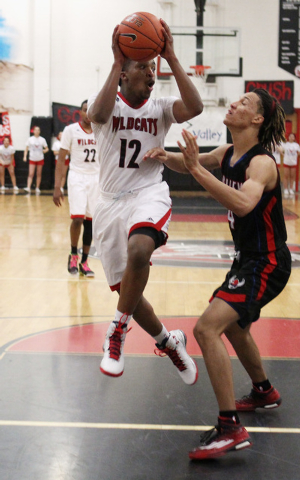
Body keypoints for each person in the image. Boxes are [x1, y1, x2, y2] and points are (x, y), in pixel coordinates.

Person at [145, 88, 291, 460]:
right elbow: (195, 161)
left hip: (268, 261)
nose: (235, 103)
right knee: (234, 327)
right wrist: (168, 156)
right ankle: (264, 391)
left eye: (245, 103)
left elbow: (244, 204)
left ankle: (230, 427)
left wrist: (193, 169)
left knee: (206, 328)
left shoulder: (261, 164)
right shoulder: (228, 153)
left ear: (257, 119)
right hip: (247, 260)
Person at [86, 22, 203, 384]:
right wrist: (115, 61)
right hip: (108, 203)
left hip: (148, 192)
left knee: (140, 251)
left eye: (153, 68)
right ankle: (169, 342)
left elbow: (195, 106)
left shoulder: (162, 106)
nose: (150, 74)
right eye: (142, 67)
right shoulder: (104, 100)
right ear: (123, 73)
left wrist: (170, 56)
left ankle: (116, 333)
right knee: (129, 295)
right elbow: (98, 117)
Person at [53, 100, 99, 277]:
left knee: (90, 222)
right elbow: (61, 159)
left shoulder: (102, 130)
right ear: (80, 112)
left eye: (91, 111)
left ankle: (84, 262)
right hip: (77, 177)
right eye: (86, 110)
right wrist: (57, 186)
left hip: (96, 178)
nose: (88, 114)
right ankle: (73, 254)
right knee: (78, 219)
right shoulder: (70, 130)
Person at [23, 126, 49, 194]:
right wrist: (25, 156)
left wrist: (44, 151)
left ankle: (37, 187)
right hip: (32, 158)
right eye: (36, 130)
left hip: (40, 158)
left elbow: (47, 148)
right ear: (33, 131)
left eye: (38, 130)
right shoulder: (30, 139)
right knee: (31, 173)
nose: (37, 131)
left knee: (39, 174)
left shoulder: (42, 139)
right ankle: (28, 187)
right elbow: (26, 149)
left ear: (39, 131)